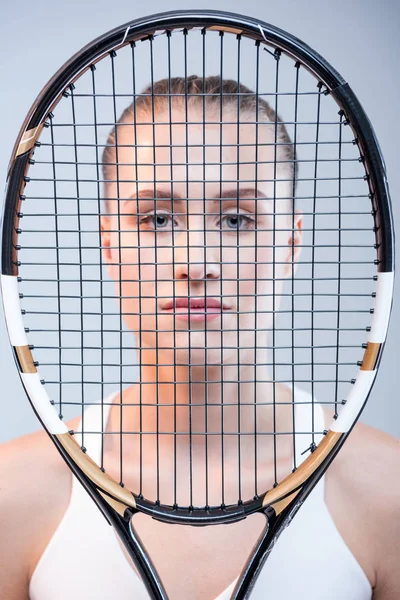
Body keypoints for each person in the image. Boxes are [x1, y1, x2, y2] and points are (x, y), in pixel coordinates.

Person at [0, 76, 399, 600]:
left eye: (237, 219)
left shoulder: (386, 489)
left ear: (291, 243)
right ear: (109, 246)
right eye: (157, 218)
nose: (197, 263)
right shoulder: (14, 492)